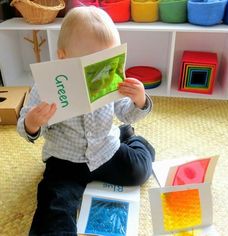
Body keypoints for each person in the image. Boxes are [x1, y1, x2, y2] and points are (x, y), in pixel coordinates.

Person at [17, 6, 155, 236]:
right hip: (65, 160)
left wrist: (139, 100)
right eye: (91, 66)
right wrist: (33, 122)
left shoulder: (112, 80)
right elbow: (26, 127)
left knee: (139, 171)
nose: (100, 74)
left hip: (105, 150)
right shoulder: (45, 86)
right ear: (63, 56)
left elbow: (126, 113)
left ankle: (130, 137)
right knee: (53, 203)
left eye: (105, 64)